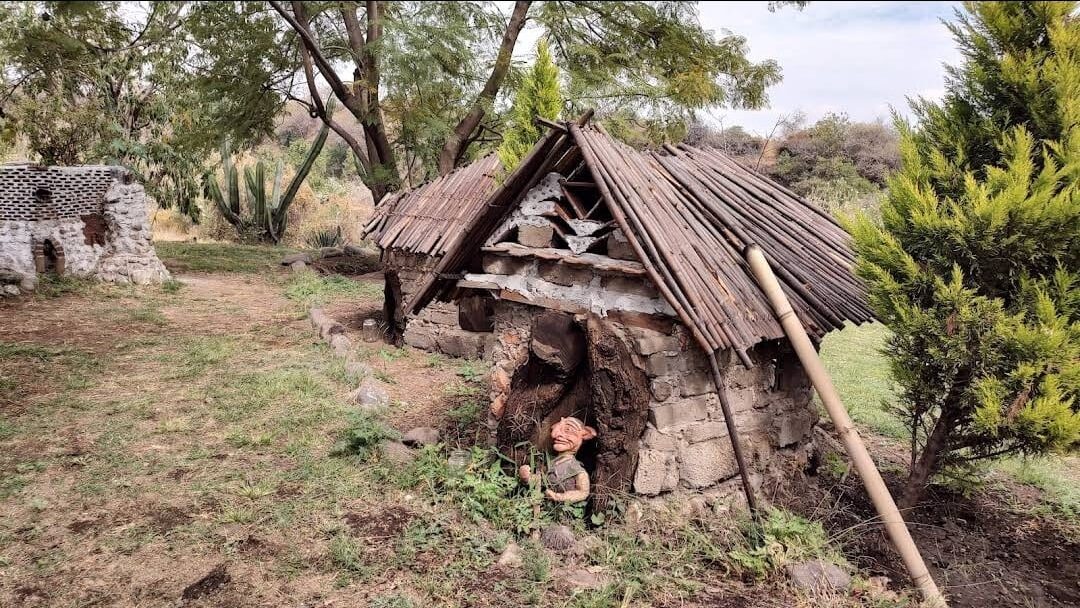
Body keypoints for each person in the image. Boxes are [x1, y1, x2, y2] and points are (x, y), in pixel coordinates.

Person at [519, 416, 597, 503]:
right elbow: (542, 480)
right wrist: (527, 478)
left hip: (563, 512)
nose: (555, 435)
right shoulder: (551, 463)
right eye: (555, 429)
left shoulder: (575, 468)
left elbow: (583, 492)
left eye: (567, 430)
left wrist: (559, 497)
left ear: (585, 434)